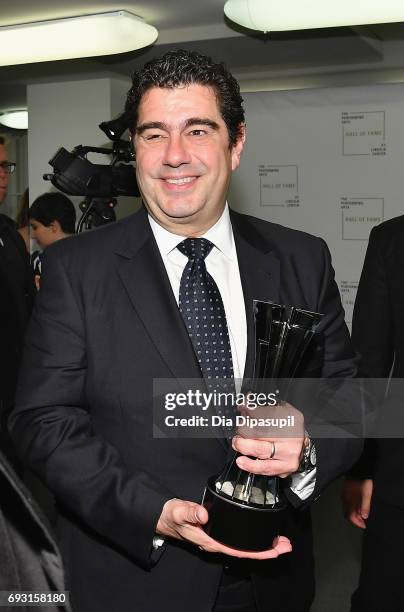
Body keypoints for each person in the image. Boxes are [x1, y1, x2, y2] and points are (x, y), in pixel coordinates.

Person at [10, 50, 361, 612]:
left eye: (198, 130)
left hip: (275, 581)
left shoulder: (301, 259)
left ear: (236, 143)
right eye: (154, 135)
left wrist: (310, 448)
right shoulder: (77, 269)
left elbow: (347, 395)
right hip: (135, 579)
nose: (175, 156)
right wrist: (152, 510)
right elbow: (41, 422)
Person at [341, 216, 404, 612]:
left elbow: (369, 370)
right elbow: (368, 373)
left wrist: (360, 469)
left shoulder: (392, 239)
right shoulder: (391, 240)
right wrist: (362, 468)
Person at [0, 136, 35, 448]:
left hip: (15, 395)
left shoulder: (9, 234)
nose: (3, 175)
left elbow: (28, 307)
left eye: (5, 166)